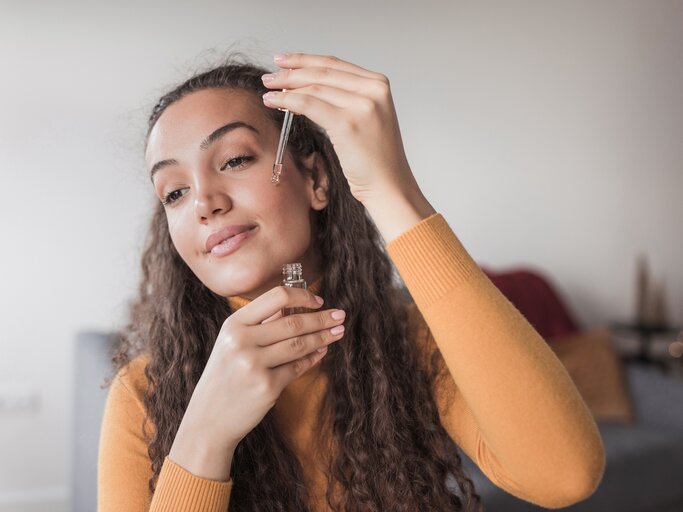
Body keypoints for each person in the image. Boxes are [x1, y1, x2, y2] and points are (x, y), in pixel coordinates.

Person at [98, 52, 606, 511]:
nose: (205, 201)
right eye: (174, 192)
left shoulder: (409, 343)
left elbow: (564, 475)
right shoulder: (143, 393)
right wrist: (206, 434)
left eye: (234, 159)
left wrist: (391, 188)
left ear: (316, 180)